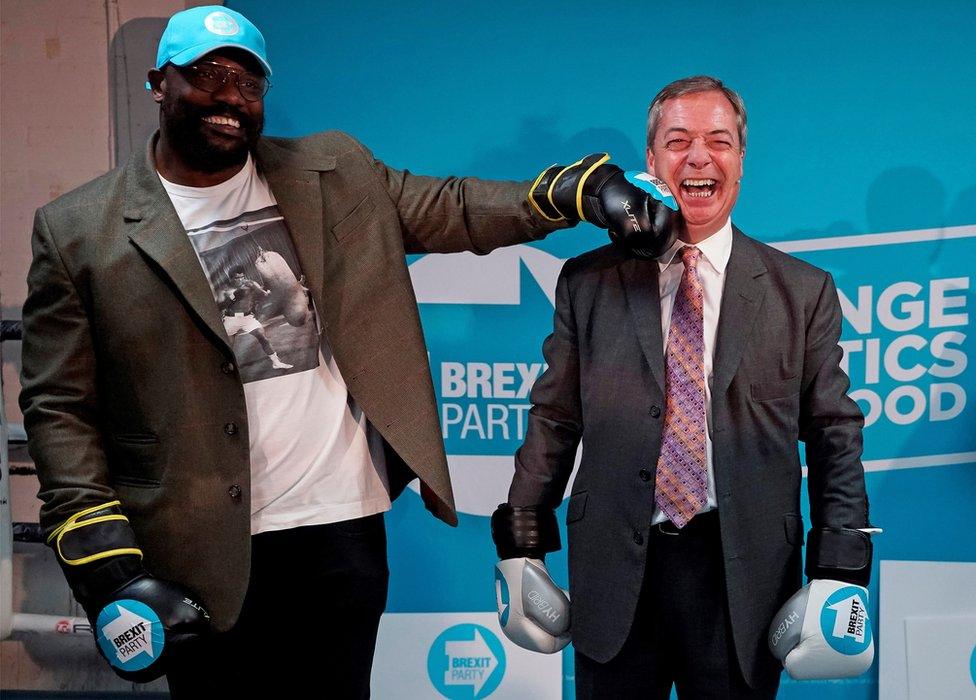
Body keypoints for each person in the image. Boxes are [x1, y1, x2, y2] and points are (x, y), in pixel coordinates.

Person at [17, 5, 676, 696]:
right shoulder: (80, 231)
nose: (230, 99)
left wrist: (573, 190)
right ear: (160, 83)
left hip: (341, 530)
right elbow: (58, 408)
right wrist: (107, 564)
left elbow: (455, 206)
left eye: (249, 84)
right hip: (199, 544)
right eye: (209, 76)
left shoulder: (334, 170)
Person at [491, 75, 876, 698]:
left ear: (741, 160)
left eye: (718, 141)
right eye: (679, 141)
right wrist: (522, 537)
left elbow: (835, 432)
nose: (698, 156)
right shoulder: (587, 282)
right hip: (615, 568)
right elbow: (555, 416)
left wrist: (842, 565)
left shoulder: (802, 292)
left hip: (743, 575)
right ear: (651, 161)